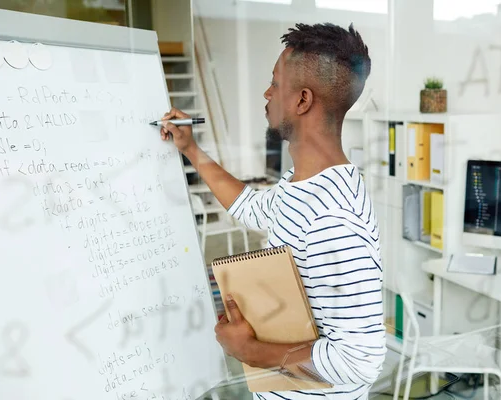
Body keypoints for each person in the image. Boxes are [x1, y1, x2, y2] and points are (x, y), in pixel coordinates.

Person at [160, 22, 386, 400]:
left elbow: (360, 361)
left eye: (275, 83)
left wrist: (249, 351)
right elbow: (253, 207)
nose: (267, 93)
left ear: (302, 100)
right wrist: (191, 150)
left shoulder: (333, 219)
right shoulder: (304, 184)